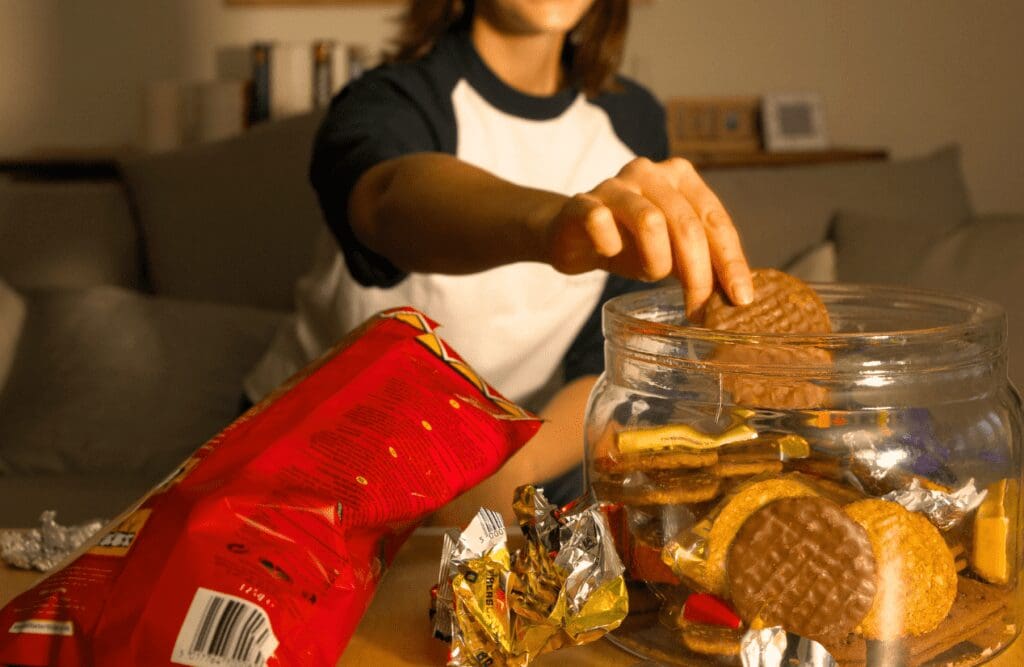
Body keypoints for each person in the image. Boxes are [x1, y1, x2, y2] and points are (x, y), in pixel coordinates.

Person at [244, 0, 753, 522]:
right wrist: (554, 226)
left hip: (507, 457)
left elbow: (608, 358)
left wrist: (513, 467)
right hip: (312, 457)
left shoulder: (631, 119)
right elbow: (389, 204)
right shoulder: (391, 98)